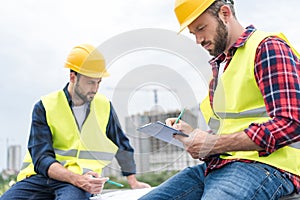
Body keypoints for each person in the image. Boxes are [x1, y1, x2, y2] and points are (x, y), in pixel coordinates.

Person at [140, 0, 300, 199]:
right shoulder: (221, 67)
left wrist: (212, 144)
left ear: (225, 13)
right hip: (219, 165)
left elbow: (292, 122)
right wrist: (194, 136)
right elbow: (227, 130)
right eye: (193, 33)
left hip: (267, 166)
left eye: (201, 28)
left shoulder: (267, 48)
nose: (198, 40)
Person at [1, 44, 150, 200]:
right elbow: (41, 158)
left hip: (80, 180)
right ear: (73, 77)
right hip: (41, 177)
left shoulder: (104, 106)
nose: (95, 88)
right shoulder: (45, 106)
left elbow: (122, 144)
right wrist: (77, 179)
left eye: (98, 82)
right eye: (90, 82)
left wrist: (133, 181)